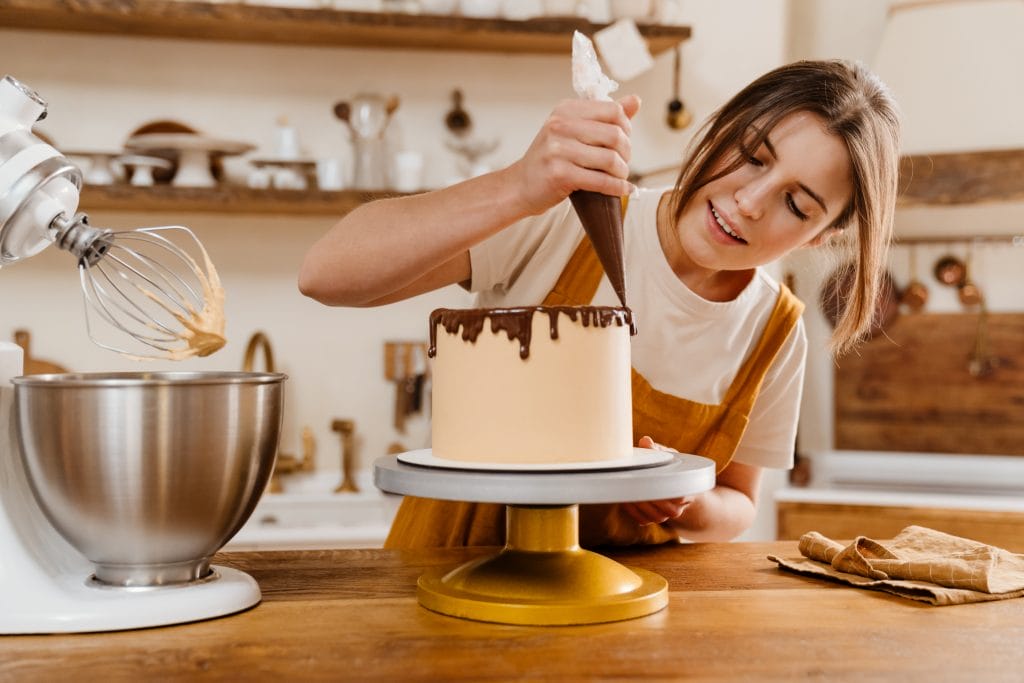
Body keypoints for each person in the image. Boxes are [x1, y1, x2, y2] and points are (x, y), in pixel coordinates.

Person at [298, 59, 901, 547]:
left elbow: (740, 503)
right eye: (753, 154)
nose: (750, 202)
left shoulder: (772, 329)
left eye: (798, 205)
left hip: (629, 615)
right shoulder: (562, 218)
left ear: (823, 236)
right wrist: (517, 186)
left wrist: (683, 503)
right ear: (721, 127)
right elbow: (326, 275)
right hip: (448, 572)